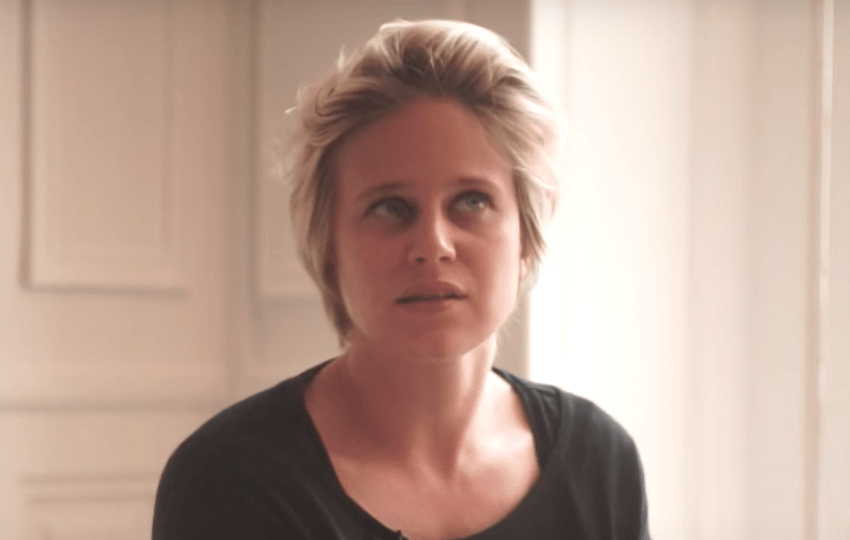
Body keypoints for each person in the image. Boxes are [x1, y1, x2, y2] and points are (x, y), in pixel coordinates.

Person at [152, 19, 651, 540]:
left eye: (472, 201)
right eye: (391, 207)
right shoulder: (229, 479)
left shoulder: (600, 461)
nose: (433, 245)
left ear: (525, 237)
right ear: (330, 247)